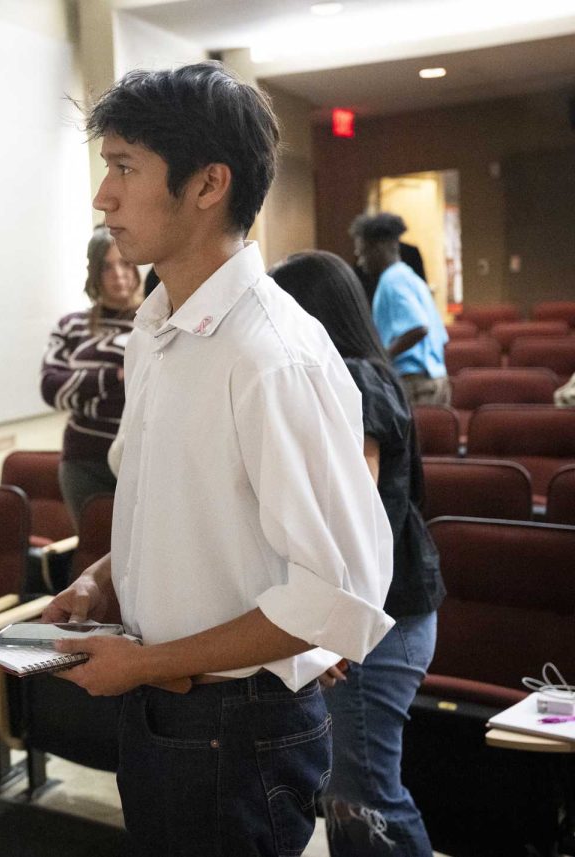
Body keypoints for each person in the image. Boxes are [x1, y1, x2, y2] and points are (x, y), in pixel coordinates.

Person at [41, 63, 394, 857]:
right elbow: (166, 507)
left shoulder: (270, 353)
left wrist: (146, 662)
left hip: (236, 725)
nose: (104, 196)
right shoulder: (157, 326)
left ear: (208, 185)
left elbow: (336, 594)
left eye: (124, 167)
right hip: (167, 707)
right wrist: (98, 582)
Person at [271, 251, 445, 856]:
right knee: (349, 790)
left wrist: (331, 631)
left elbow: (351, 515)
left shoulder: (356, 379)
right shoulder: (353, 373)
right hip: (374, 615)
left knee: (367, 791)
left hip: (380, 620)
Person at [40, 224, 142, 525]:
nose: (118, 275)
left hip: (139, 460)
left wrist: (86, 385)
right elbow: (51, 389)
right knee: (92, 556)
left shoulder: (156, 322)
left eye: (125, 263)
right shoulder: (71, 326)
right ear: (94, 273)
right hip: (82, 462)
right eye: (107, 267)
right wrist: (115, 377)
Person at [350, 213, 450, 405]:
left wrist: (381, 357)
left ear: (378, 248)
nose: (361, 262)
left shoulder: (392, 281)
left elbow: (418, 328)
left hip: (416, 384)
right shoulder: (410, 277)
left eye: (363, 253)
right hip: (434, 380)